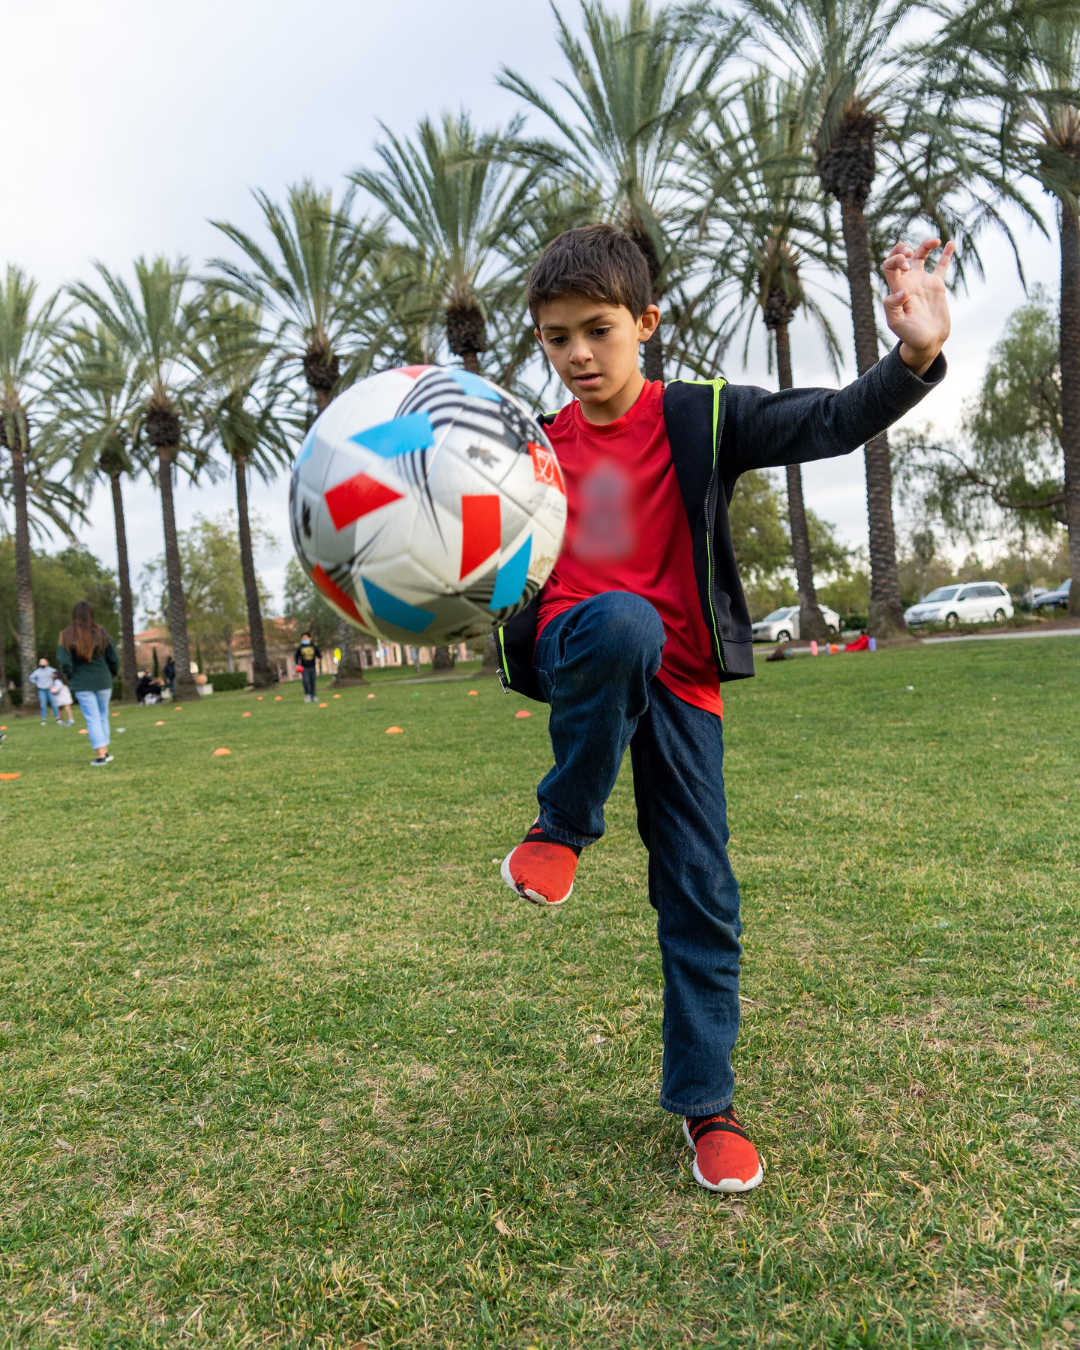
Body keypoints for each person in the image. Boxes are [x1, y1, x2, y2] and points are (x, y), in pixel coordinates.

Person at [496, 223, 953, 1194]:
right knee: (621, 626)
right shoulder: (527, 448)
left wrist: (914, 353)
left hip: (683, 687)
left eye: (598, 331)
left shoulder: (700, 416)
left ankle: (709, 1108)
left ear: (646, 324)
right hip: (585, 646)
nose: (577, 354)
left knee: (703, 892)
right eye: (555, 337)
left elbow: (824, 421)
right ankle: (562, 827)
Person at [57, 600, 120, 766]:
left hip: (82, 682)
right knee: (102, 715)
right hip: (104, 680)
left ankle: (101, 755)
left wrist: (71, 677)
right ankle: (104, 752)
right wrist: (110, 674)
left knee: (93, 718)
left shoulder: (66, 635)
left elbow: (64, 662)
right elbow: (114, 658)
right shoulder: (101, 632)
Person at [29, 657, 59, 724]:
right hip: (42, 690)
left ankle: (57, 718)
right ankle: (43, 719)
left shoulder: (52, 670)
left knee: (54, 704)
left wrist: (55, 686)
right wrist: (37, 683)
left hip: (50, 689)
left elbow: (58, 676)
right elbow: (31, 677)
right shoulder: (37, 671)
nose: (42, 663)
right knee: (43, 705)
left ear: (47, 663)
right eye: (41, 662)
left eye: (43, 662)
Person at [294, 632, 320, 702]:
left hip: (312, 667)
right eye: (303, 638)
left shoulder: (314, 647)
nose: (304, 639)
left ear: (310, 638)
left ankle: (313, 695)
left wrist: (319, 658)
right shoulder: (300, 648)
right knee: (306, 681)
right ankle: (307, 695)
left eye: (305, 638)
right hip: (304, 668)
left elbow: (319, 655)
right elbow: (296, 657)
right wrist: (296, 664)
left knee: (312, 682)